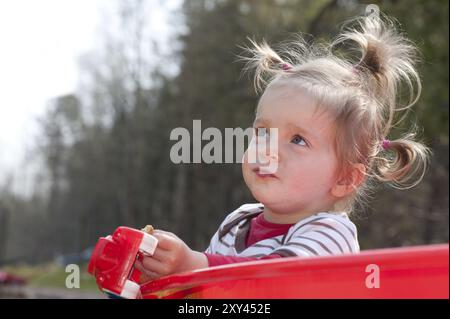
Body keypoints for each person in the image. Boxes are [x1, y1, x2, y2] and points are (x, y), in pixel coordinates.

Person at [135, 13, 431, 281]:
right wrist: (160, 278)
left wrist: (194, 264)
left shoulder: (329, 234)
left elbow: (274, 283)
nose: (268, 149)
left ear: (345, 179)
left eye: (298, 140)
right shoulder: (236, 223)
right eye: (262, 132)